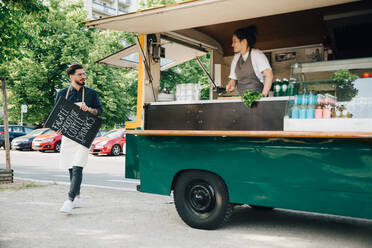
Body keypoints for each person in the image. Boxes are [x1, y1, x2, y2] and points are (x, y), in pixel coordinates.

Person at [55, 64, 103, 214]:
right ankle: (77, 197)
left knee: (77, 167)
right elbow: (56, 113)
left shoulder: (91, 93)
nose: (83, 76)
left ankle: (69, 200)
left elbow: (99, 111)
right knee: (70, 166)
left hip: (84, 134)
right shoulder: (62, 93)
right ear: (71, 77)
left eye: (84, 74)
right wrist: (57, 127)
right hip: (68, 136)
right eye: (80, 74)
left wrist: (89, 109)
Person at [226, 25, 273, 96]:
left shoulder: (256, 55)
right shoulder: (236, 58)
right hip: (241, 99)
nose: (232, 45)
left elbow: (269, 76)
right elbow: (233, 79)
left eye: (235, 41)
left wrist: (263, 97)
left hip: (257, 99)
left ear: (244, 42)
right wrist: (230, 85)